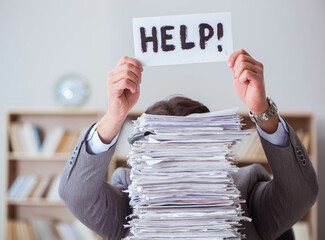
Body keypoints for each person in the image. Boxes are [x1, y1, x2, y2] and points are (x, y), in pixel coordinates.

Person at [58, 49, 318, 240]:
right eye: (165, 151)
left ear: (214, 147)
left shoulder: (246, 190)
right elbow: (77, 194)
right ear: (144, 154)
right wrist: (115, 115)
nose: (180, 165)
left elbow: (301, 193)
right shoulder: (128, 196)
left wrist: (262, 110)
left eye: (192, 147)